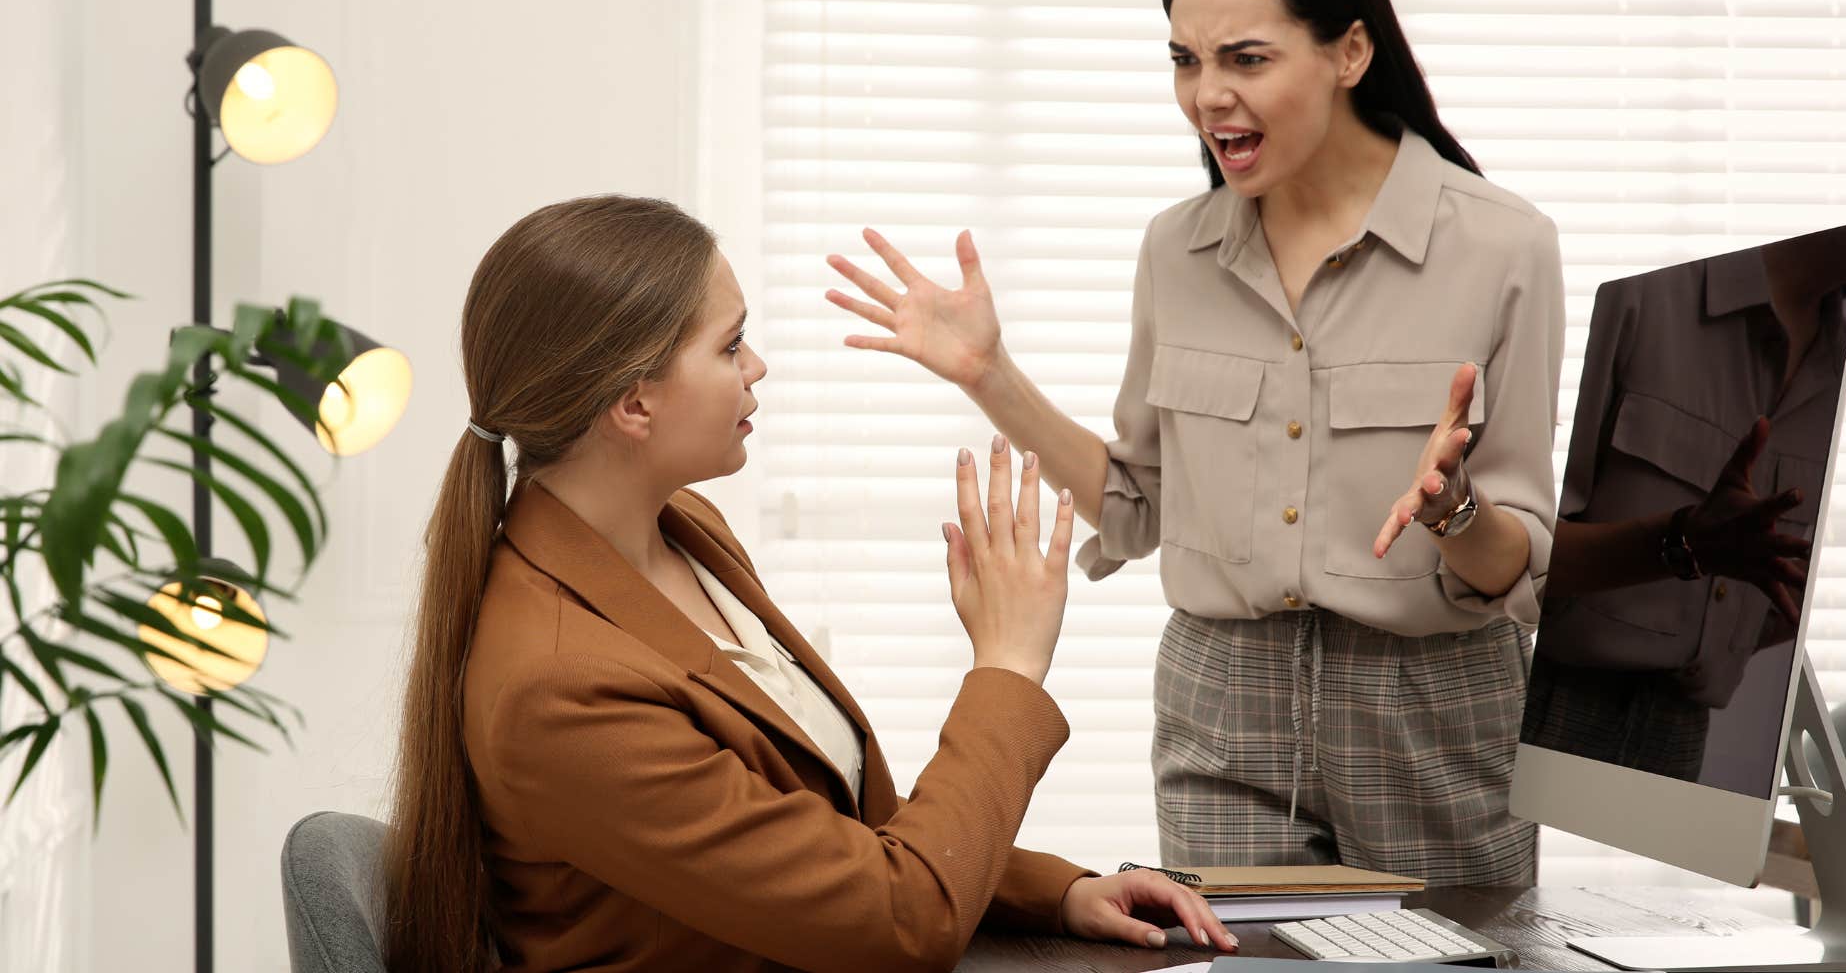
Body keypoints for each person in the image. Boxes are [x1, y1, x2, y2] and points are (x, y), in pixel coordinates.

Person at [824, 0, 1564, 885]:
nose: (1207, 95)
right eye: (1185, 60)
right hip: (1223, 700)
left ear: (1349, 52)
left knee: (1451, 956)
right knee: (1236, 954)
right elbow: (1139, 507)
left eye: (1246, 59)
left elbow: (1524, 569)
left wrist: (1454, 510)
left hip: (1434, 705)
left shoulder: (1505, 246)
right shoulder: (1176, 251)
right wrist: (990, 377)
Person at [379, 196, 1237, 973]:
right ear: (634, 404)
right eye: (730, 346)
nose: (757, 366)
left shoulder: (686, 533)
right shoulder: (560, 688)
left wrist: (1055, 893)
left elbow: (819, 836)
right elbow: (896, 921)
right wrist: (1007, 666)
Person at [1527, 226, 1846, 789]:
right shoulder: (1638, 293)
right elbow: (1507, 546)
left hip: (1682, 732)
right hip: (1550, 706)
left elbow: (1760, 593)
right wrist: (1681, 543)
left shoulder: (1843, 374)